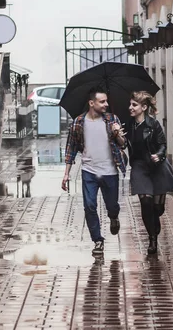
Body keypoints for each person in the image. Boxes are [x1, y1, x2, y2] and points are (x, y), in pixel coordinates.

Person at [62, 87, 127, 255]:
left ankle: (114, 217)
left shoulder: (112, 119)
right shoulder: (78, 122)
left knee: (112, 206)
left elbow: (123, 143)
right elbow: (71, 147)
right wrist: (67, 173)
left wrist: (117, 133)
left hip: (110, 171)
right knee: (89, 205)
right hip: (89, 171)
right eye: (102, 101)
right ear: (92, 103)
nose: (106, 104)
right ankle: (98, 240)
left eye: (106, 101)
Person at [126, 91, 173, 254]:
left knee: (158, 208)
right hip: (139, 167)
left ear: (144, 107)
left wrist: (159, 155)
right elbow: (122, 144)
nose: (130, 108)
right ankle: (152, 240)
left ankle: (155, 219)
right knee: (145, 202)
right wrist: (118, 135)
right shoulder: (128, 125)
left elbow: (162, 144)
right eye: (130, 104)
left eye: (134, 105)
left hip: (156, 166)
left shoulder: (153, 124)